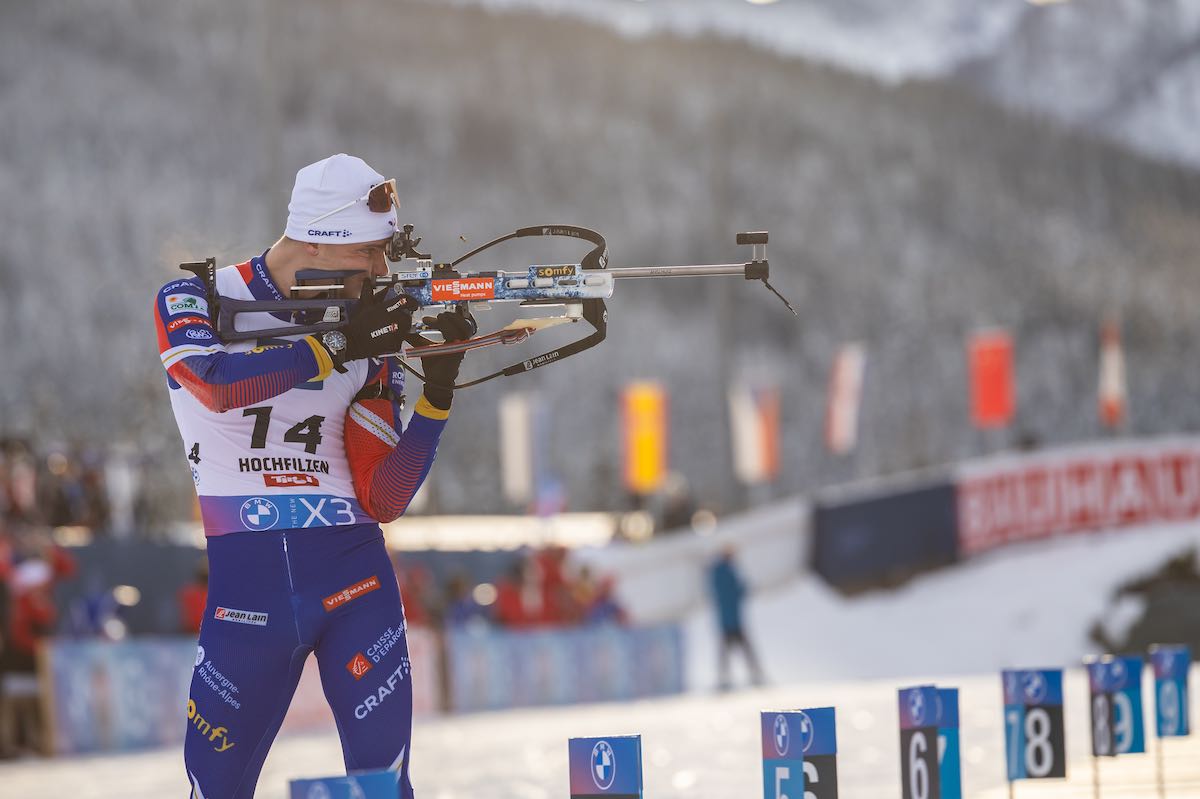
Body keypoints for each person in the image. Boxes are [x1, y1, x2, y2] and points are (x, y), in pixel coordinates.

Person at [153, 154, 471, 798]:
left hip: (354, 578)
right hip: (248, 592)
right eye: (370, 254)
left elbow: (384, 495)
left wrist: (438, 391)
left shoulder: (371, 324)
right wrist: (335, 346)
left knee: (385, 787)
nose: (382, 272)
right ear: (317, 240)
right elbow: (215, 387)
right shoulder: (197, 299)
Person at [709, 545, 765, 691]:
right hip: (731, 620)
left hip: (728, 619)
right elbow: (735, 593)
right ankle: (751, 676)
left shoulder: (720, 571)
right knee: (740, 651)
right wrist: (742, 588)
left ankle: (727, 679)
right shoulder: (725, 572)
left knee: (729, 652)